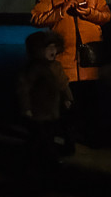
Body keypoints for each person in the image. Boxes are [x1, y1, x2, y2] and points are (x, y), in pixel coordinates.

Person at [30, 0, 111, 140]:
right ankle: (69, 137)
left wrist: (90, 12)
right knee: (67, 100)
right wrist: (60, 10)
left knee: (91, 100)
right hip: (65, 58)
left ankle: (92, 135)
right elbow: (35, 18)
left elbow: (106, 17)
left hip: (90, 56)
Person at [16, 30, 73, 167]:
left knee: (48, 134)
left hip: (53, 109)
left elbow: (63, 83)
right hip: (39, 109)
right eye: (48, 48)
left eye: (54, 47)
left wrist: (68, 98)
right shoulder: (34, 68)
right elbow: (23, 88)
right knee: (41, 136)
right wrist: (26, 108)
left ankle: (40, 156)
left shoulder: (56, 66)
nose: (52, 51)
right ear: (39, 50)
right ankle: (48, 159)